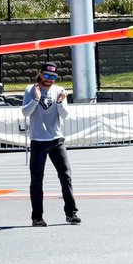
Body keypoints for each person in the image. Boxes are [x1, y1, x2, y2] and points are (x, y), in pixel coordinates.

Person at [20, 61, 80, 227]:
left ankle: (71, 213)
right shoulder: (31, 89)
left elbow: (65, 115)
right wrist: (35, 99)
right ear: (40, 74)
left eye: (52, 77)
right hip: (38, 141)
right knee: (37, 179)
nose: (49, 79)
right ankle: (37, 217)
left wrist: (60, 102)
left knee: (65, 175)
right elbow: (25, 112)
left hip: (56, 140)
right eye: (46, 76)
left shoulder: (59, 90)